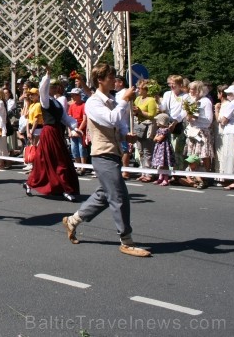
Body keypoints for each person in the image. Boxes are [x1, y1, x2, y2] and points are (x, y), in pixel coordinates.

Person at [62, 62, 151, 257]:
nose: (114, 81)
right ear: (100, 80)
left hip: (114, 152)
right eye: (110, 77)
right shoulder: (93, 102)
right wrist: (124, 101)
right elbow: (110, 119)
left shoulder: (111, 100)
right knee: (119, 196)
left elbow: (117, 126)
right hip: (102, 155)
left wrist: (125, 135)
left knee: (104, 195)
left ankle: (72, 220)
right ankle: (126, 240)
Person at [23, 70, 80, 201]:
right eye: (52, 86)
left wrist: (75, 128)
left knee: (58, 160)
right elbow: (42, 89)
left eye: (56, 86)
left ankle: (62, 187)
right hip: (49, 133)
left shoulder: (58, 102)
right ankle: (64, 188)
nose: (55, 88)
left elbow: (65, 117)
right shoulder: (45, 101)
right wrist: (47, 75)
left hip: (57, 133)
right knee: (50, 160)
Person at [67, 88, 89, 175]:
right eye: (71, 95)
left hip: (81, 130)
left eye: (74, 95)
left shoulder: (84, 105)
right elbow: (69, 119)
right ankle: (78, 166)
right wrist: (70, 131)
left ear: (79, 95)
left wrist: (79, 130)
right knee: (74, 148)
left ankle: (84, 167)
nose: (72, 97)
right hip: (73, 129)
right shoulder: (72, 106)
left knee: (81, 148)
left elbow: (84, 119)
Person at [151, 113, 174, 186]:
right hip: (159, 147)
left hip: (164, 148)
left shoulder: (165, 130)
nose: (156, 122)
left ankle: (166, 178)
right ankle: (160, 177)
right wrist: (156, 138)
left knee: (165, 164)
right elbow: (155, 139)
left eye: (158, 121)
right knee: (160, 164)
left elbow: (159, 138)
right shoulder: (159, 130)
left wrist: (157, 138)